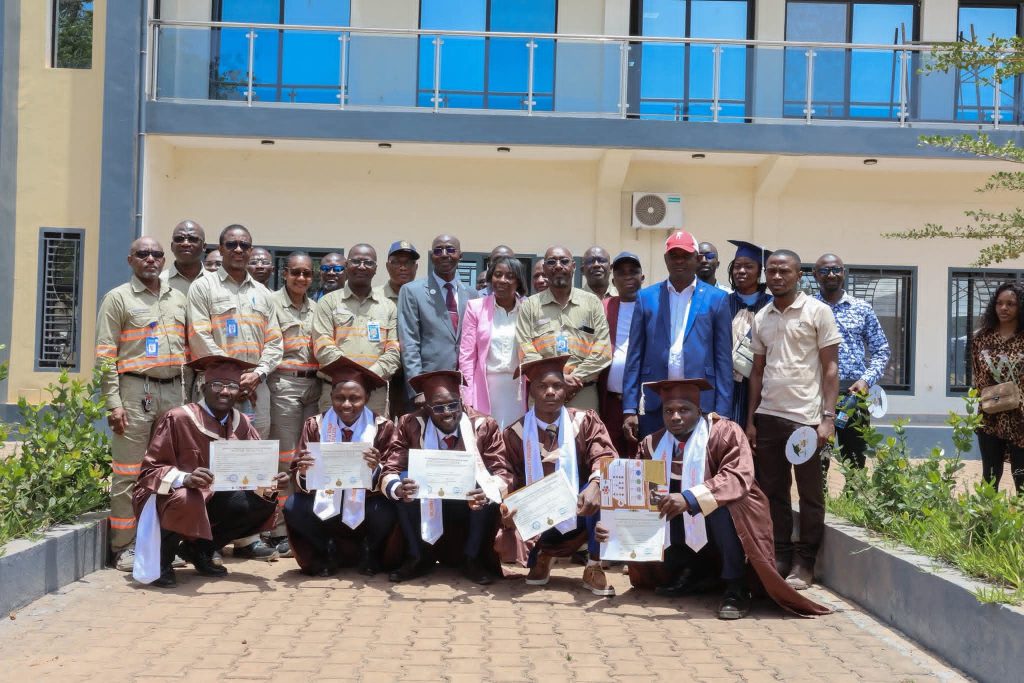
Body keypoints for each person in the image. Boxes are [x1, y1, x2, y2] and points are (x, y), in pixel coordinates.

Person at [597, 379, 831, 619]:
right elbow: (637, 496)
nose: (675, 417)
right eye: (669, 411)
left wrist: (689, 498)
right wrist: (614, 527)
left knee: (721, 504)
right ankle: (693, 572)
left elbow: (737, 476)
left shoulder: (725, 432)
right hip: (686, 530)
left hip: (729, 521)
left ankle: (736, 586)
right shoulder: (652, 444)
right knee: (659, 504)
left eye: (684, 410)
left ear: (699, 410)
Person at [132, 356, 289, 587]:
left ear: (240, 391)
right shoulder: (179, 418)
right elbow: (150, 471)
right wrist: (185, 478)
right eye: (217, 385)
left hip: (213, 495)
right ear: (203, 387)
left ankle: (200, 550)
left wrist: (272, 481)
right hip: (170, 496)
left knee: (264, 499)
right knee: (187, 498)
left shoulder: (242, 423)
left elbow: (256, 471)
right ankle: (162, 560)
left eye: (232, 386)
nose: (225, 392)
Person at [747, 249, 841, 591]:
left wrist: (827, 418)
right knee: (774, 492)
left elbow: (831, 368)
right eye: (771, 271)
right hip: (769, 417)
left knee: (810, 494)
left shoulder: (818, 311)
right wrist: (751, 420)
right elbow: (757, 372)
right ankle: (782, 555)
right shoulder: (762, 317)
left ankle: (805, 562)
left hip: (806, 421)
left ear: (799, 275)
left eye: (784, 271)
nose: (776, 276)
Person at [187, 224, 283, 560]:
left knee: (253, 460)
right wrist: (230, 380)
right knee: (211, 459)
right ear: (221, 248)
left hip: (256, 388)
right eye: (232, 244)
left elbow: (275, 342)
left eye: (244, 245)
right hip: (217, 390)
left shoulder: (264, 294)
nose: (239, 250)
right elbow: (199, 336)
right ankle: (207, 540)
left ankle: (245, 538)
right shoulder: (204, 287)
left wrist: (257, 373)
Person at [95, 237, 189, 571]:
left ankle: (163, 545)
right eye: (143, 254)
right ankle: (124, 546)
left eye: (156, 254)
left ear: (164, 260)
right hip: (135, 393)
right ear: (130, 260)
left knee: (169, 473)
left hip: (174, 392)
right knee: (129, 472)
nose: (151, 258)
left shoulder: (178, 298)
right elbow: (105, 355)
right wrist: (113, 402)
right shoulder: (118, 298)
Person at [381, 370, 512, 585]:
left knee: (485, 483)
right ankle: (417, 556)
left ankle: (472, 559)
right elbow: (391, 469)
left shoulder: (483, 425)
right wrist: (397, 488)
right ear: (426, 407)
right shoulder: (410, 423)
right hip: (425, 502)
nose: (448, 413)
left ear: (461, 401)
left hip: (468, 504)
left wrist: (487, 492)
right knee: (405, 479)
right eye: (438, 407)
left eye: (453, 405)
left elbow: (503, 471)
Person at [502, 355, 617, 597]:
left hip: (582, 511)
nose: (550, 392)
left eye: (557, 385)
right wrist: (506, 503)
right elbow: (507, 474)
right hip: (538, 517)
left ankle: (594, 565)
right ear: (531, 391)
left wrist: (596, 483)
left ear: (567, 390)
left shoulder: (585, 421)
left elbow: (606, 456)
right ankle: (544, 554)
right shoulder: (515, 433)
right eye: (542, 386)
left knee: (604, 486)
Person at [285, 357, 400, 576]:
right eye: (340, 398)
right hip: (326, 501)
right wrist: (304, 472)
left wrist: (376, 468)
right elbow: (300, 473)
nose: (346, 405)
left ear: (366, 398)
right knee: (293, 506)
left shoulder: (382, 427)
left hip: (366, 503)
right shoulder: (315, 425)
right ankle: (326, 550)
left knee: (388, 509)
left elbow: (391, 470)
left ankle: (370, 550)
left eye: (355, 398)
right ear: (331, 397)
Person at [623, 230, 733, 441]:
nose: (679, 260)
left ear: (697, 258)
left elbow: (723, 360)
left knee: (699, 460)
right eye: (674, 256)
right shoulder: (646, 297)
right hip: (655, 401)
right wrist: (629, 408)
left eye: (685, 255)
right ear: (666, 259)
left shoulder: (717, 299)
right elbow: (634, 356)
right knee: (655, 459)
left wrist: (723, 411)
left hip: (701, 403)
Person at [265, 252, 320, 556]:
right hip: (284, 384)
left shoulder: (317, 308)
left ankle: (302, 522)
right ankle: (279, 529)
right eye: (296, 272)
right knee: (284, 458)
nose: (301, 278)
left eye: (307, 273)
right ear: (285, 273)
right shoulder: (271, 303)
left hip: (314, 386)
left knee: (308, 458)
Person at [814, 253, 890, 470]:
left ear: (844, 273)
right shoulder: (807, 308)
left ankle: (853, 492)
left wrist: (866, 380)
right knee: (818, 463)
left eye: (836, 269)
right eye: (824, 270)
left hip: (853, 396)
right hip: (816, 396)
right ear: (815, 275)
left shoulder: (861, 308)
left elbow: (881, 350)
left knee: (855, 462)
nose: (831, 274)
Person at [515, 246, 611, 411]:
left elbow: (603, 350)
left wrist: (575, 379)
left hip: (583, 392)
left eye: (564, 261)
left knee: (584, 429)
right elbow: (525, 349)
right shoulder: (530, 306)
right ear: (545, 268)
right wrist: (556, 380)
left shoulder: (592, 303)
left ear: (573, 266)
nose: (558, 266)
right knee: (541, 430)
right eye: (551, 262)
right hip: (544, 393)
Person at [312, 244, 400, 417]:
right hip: (336, 390)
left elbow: (394, 351)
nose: (362, 266)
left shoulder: (388, 307)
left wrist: (369, 377)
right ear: (346, 265)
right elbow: (323, 346)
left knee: (374, 434)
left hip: (375, 392)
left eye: (368, 262)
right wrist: (352, 379)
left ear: (376, 269)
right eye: (356, 261)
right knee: (332, 435)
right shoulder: (328, 303)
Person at [397, 234, 479, 398]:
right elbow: (410, 343)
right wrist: (417, 390)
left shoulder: (471, 294)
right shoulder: (412, 291)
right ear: (431, 257)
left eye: (450, 250)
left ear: (460, 256)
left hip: (465, 385)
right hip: (429, 385)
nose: (444, 254)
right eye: (438, 250)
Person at [459, 256, 528, 428]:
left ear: (519, 281)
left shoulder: (528, 308)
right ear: (491, 278)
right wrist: (467, 396)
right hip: (486, 387)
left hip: (519, 390)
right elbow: (467, 356)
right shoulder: (475, 307)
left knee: (517, 438)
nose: (502, 280)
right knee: (487, 437)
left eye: (510, 276)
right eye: (498, 275)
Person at [971, 282, 1024, 494]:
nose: (1004, 308)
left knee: (1021, 476)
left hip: (1021, 417)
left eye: (1011, 304)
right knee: (990, 476)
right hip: (990, 416)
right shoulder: (981, 338)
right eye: (1000, 303)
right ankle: (986, 515)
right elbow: (977, 375)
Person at [597, 252, 645, 458]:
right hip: (610, 402)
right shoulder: (604, 307)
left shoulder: (651, 305)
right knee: (610, 458)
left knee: (641, 458)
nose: (628, 277)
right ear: (613, 280)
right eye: (621, 273)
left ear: (642, 277)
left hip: (642, 403)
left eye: (633, 272)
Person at [725, 240, 774, 428]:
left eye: (749, 266)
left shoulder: (772, 305)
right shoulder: (722, 303)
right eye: (737, 266)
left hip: (765, 385)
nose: (741, 271)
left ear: (760, 271)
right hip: (728, 384)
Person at [381, 241, 420, 417]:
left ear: (416, 267)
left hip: (415, 374)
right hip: (385, 376)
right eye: (396, 262)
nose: (402, 267)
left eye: (408, 263)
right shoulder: (375, 297)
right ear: (387, 266)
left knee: (413, 425)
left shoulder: (424, 296)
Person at [160, 219, 207, 294]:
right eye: (179, 239)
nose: (185, 244)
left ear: (204, 247)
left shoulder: (216, 282)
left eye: (193, 239)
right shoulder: (158, 282)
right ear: (172, 246)